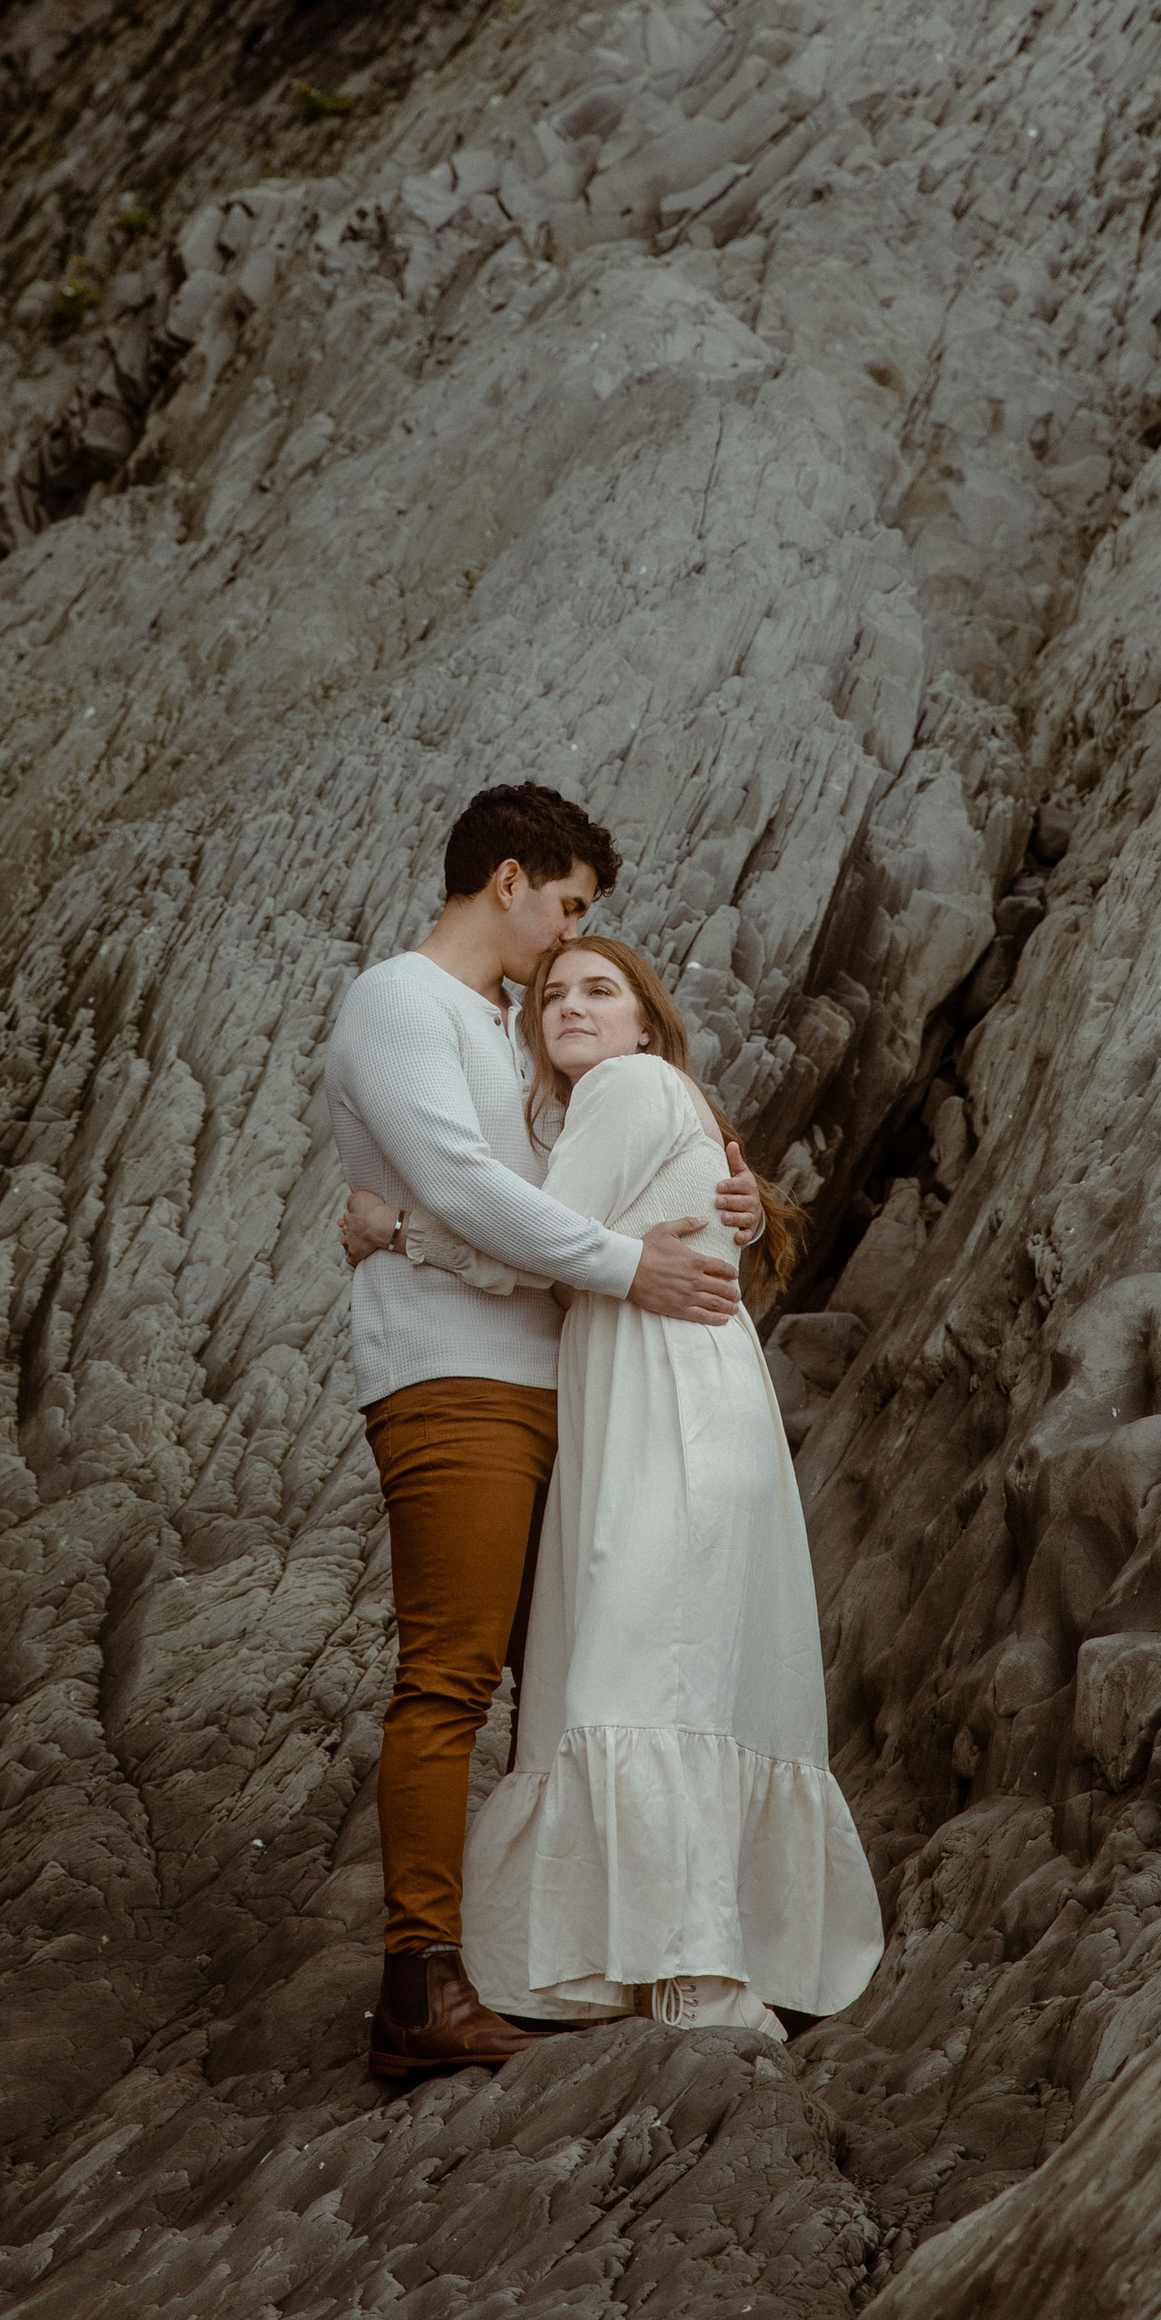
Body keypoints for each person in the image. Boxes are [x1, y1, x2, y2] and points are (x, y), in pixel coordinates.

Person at [352, 934, 885, 2038]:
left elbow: (524, 1248)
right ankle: (651, 1955)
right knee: (657, 1670)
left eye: (601, 990)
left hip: (669, 1422)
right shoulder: (653, 1101)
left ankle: (689, 1966)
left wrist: (392, 1227)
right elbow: (571, 1237)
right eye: (551, 995)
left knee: (643, 1672)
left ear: (648, 1020)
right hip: (679, 1407)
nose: (569, 1007)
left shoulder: (631, 1085)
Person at [324, 784, 764, 2086]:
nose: (569, 935)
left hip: (562, 1380)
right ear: (506, 880)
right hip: (454, 1379)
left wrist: (726, 1192)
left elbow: (577, 1182)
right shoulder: (397, 1001)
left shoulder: (504, 1026)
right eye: (567, 905)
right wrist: (624, 1267)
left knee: (577, 1671)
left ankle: (559, 1952)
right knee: (452, 1676)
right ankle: (419, 1984)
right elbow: (470, 1189)